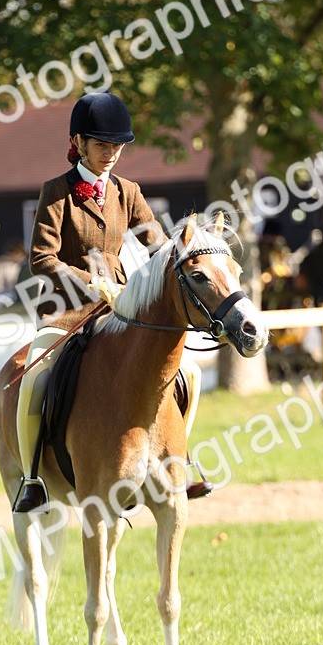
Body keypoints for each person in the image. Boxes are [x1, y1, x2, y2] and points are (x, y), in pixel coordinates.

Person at [15, 90, 211, 511]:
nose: (111, 155)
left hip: (121, 308)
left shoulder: (128, 191)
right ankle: (33, 477)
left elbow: (155, 243)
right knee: (34, 378)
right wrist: (90, 283)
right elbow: (40, 259)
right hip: (66, 310)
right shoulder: (55, 192)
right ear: (79, 143)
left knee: (188, 371)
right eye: (102, 146)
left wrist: (183, 247)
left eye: (117, 147)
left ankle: (179, 461)